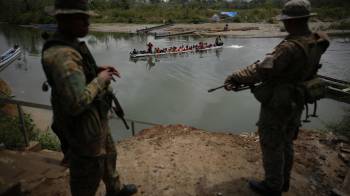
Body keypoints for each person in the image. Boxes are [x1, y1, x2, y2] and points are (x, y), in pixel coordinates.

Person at [223, 0, 329, 195]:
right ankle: (284, 182)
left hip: (280, 102)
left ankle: (272, 186)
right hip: (299, 98)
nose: (284, 24)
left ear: (293, 21)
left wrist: (235, 77)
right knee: (287, 140)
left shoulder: (289, 48)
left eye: (286, 21)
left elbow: (260, 70)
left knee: (272, 142)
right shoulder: (318, 40)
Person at [41, 0, 137, 196]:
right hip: (82, 132)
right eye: (81, 18)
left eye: (87, 17)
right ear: (63, 19)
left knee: (110, 155)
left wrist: (95, 70)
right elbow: (76, 104)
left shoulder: (70, 45)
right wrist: (100, 80)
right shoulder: (63, 56)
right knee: (87, 176)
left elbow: (78, 76)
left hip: (94, 121)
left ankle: (115, 189)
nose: (87, 22)